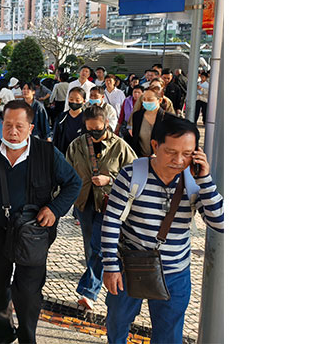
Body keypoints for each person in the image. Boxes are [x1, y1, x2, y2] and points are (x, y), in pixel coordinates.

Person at [0, 100, 81, 344]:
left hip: (32, 236)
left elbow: (74, 183)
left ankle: (27, 338)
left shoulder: (47, 153)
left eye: (19, 126)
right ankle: (3, 333)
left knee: (28, 294)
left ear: (30, 127)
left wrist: (54, 209)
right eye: (7, 125)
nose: (13, 131)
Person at [101, 117, 224, 344]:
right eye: (171, 152)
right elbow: (111, 222)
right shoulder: (132, 175)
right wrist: (110, 267)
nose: (179, 160)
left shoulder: (195, 182)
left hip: (175, 272)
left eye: (187, 153)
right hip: (129, 267)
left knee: (169, 336)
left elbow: (220, 223)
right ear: (155, 145)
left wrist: (205, 179)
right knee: (117, 326)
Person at [65, 105, 136, 311]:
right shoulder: (77, 145)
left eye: (98, 129)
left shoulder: (120, 147)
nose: (94, 134)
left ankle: (89, 291)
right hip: (84, 203)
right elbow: (67, 172)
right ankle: (96, 280)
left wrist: (110, 180)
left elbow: (134, 176)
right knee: (91, 246)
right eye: (90, 130)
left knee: (98, 247)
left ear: (106, 124)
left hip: (109, 205)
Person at [126, 88, 171, 158]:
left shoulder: (167, 118)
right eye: (144, 99)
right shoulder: (137, 116)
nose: (146, 102)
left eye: (150, 99)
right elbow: (135, 139)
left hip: (160, 159)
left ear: (159, 100)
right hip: (140, 158)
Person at [52, 87, 86, 156]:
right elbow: (55, 138)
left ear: (84, 101)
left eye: (77, 100)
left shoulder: (87, 119)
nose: (74, 102)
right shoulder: (61, 118)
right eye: (71, 99)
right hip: (63, 155)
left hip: (81, 156)